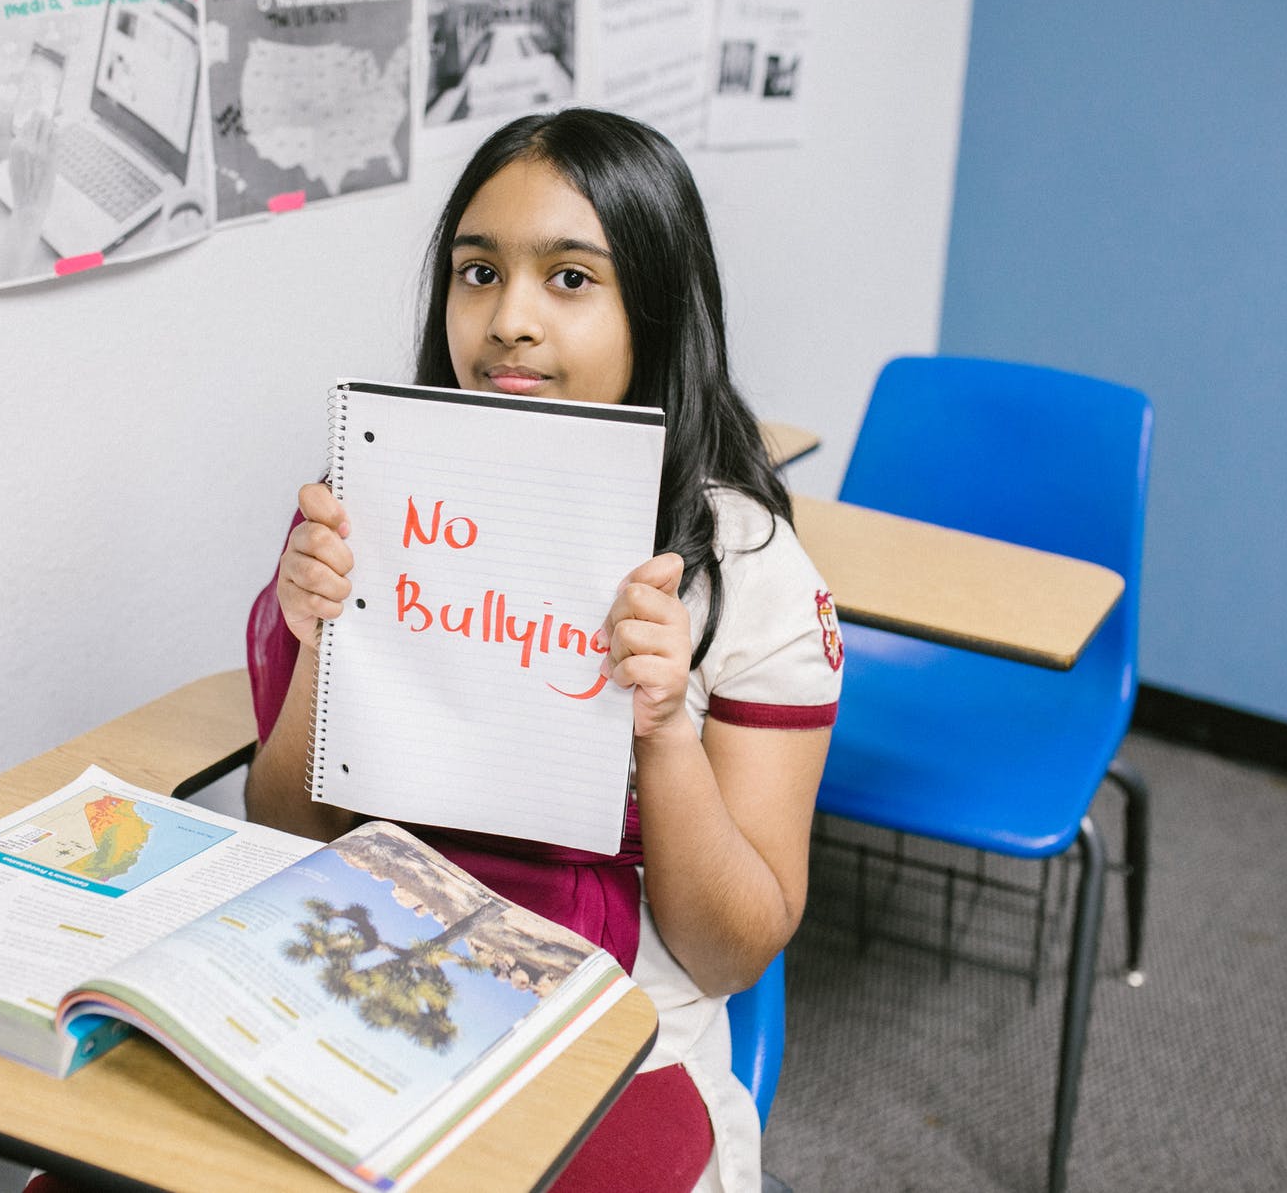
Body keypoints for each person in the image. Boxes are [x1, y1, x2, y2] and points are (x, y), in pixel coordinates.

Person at [244, 107, 842, 1193]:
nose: (508, 318)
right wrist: (321, 645)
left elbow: (729, 952)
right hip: (369, 978)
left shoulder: (749, 573)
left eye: (570, 278)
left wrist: (662, 732)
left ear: (654, 308)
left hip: (617, 1030)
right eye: (477, 272)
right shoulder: (373, 503)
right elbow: (286, 824)